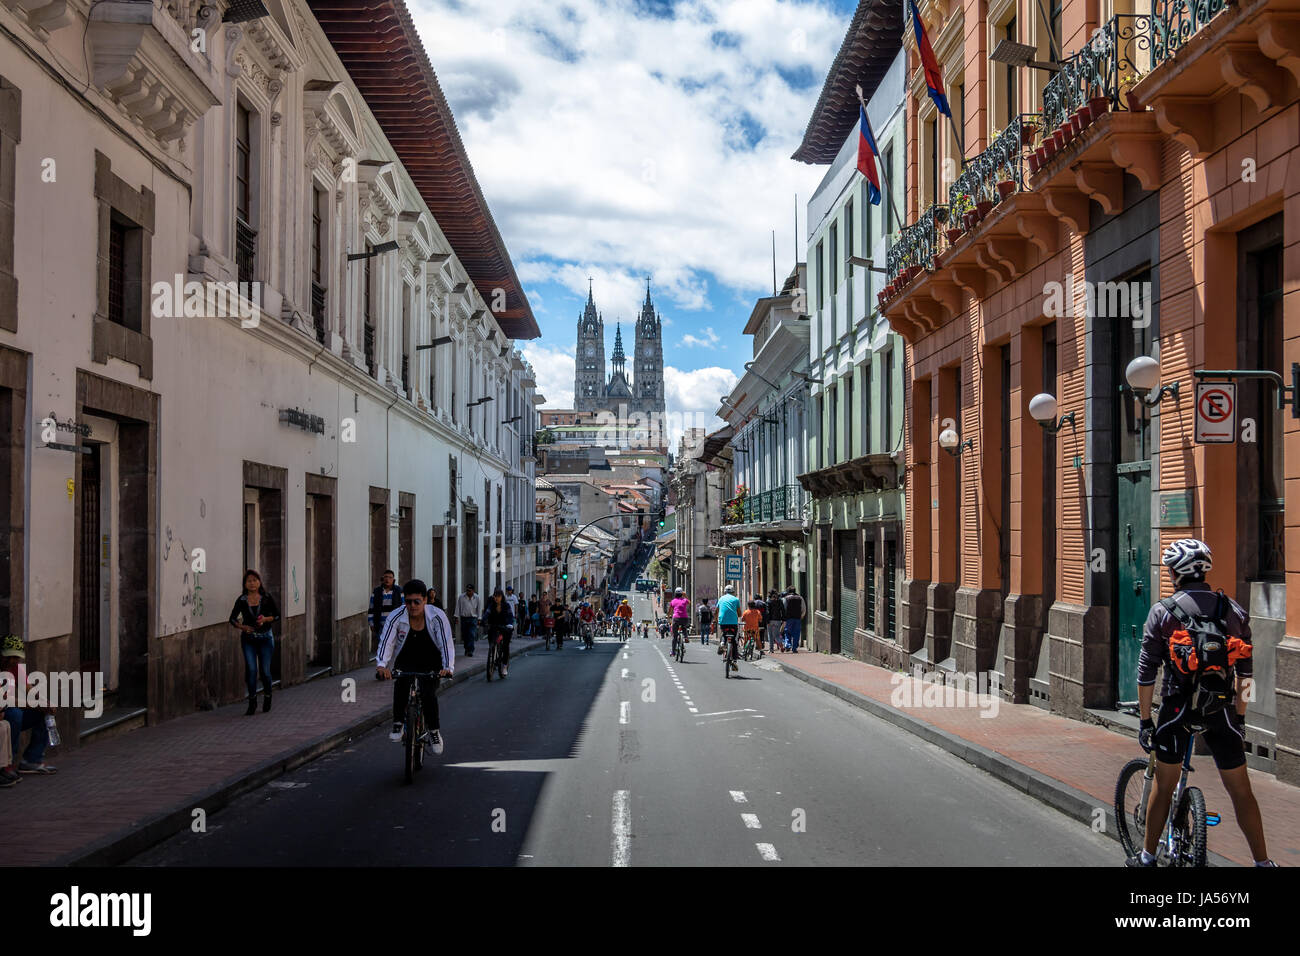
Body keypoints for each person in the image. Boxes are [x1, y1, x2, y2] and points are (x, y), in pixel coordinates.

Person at [1127, 538, 1276, 867]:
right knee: (1241, 790)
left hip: (1176, 710)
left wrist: (1145, 720)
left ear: (1175, 573)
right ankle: (1264, 863)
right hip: (1221, 711)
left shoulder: (1162, 613)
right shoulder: (1234, 611)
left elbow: (1146, 673)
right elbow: (1246, 675)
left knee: (1164, 786)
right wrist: (1239, 716)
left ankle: (1148, 857)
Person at [376, 581, 455, 756]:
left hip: (431, 660)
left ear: (425, 600)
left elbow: (446, 643)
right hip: (406, 658)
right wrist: (382, 665)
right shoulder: (396, 616)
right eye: (408, 601)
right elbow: (387, 640)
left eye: (416, 602)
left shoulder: (437, 616)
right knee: (401, 685)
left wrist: (447, 667)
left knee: (428, 693)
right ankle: (398, 723)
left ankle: (434, 731)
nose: (412, 606)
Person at [1, 634, 56, 775]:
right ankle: (8, 764)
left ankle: (32, 760)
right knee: (15, 714)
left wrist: (45, 702)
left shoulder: (15, 667)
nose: (14, 660)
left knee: (44, 712)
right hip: (4, 711)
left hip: (7, 709)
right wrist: (34, 705)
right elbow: (5, 701)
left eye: (17, 657)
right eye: (10, 656)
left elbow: (29, 688)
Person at [229, 570, 280, 715]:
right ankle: (252, 701)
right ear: (245, 584)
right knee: (251, 670)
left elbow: (276, 616)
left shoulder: (266, 598)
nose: (252, 583)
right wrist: (242, 627)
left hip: (265, 638)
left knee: (265, 671)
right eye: (249, 581)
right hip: (248, 640)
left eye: (255, 580)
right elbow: (232, 619)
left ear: (259, 582)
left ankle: (268, 697)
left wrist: (265, 619)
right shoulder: (242, 600)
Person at [368, 571, 404, 652]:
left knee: (395, 647)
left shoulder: (399, 591)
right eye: (386, 577)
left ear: (393, 579)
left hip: (395, 625)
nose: (387, 579)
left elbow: (403, 607)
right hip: (381, 625)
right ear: (383, 579)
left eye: (390, 577)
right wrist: (371, 623)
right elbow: (371, 608)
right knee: (383, 647)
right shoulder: (377, 591)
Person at [483, 588, 516, 675]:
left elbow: (510, 616)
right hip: (494, 626)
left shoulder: (506, 605)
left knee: (505, 646)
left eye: (498, 596)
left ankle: (505, 665)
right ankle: (492, 655)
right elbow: (487, 613)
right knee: (492, 642)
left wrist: (510, 624)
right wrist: (482, 621)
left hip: (504, 627)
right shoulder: (491, 605)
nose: (496, 598)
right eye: (495, 596)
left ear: (502, 597)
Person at [716, 584, 741, 672]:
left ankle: (722, 643)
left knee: (724, 633)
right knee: (734, 641)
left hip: (723, 621)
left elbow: (717, 611)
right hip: (733, 623)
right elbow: (739, 613)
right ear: (733, 592)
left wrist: (716, 620)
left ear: (725, 592)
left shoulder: (721, 599)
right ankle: (734, 660)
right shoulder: (736, 599)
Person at [455, 583, 482, 657]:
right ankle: (466, 648)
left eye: (470, 591)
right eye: (467, 590)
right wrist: (456, 617)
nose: (468, 592)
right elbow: (458, 607)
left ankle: (470, 650)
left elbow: (479, 609)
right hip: (464, 618)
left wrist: (479, 618)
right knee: (465, 635)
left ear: (473, 591)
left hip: (473, 618)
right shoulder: (461, 597)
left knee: (472, 634)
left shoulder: (477, 598)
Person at [782, 586, 805, 653]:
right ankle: (794, 648)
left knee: (787, 632)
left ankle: (788, 645)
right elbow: (803, 608)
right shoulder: (800, 598)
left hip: (788, 618)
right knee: (796, 633)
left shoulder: (786, 598)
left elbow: (784, 608)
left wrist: (783, 618)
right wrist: (801, 616)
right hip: (797, 618)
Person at [765, 589, 786, 653]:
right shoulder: (780, 601)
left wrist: (767, 621)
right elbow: (783, 610)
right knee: (777, 635)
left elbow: (767, 612)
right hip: (778, 620)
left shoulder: (768, 601)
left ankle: (771, 649)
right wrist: (783, 619)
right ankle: (781, 646)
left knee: (770, 635)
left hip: (770, 620)